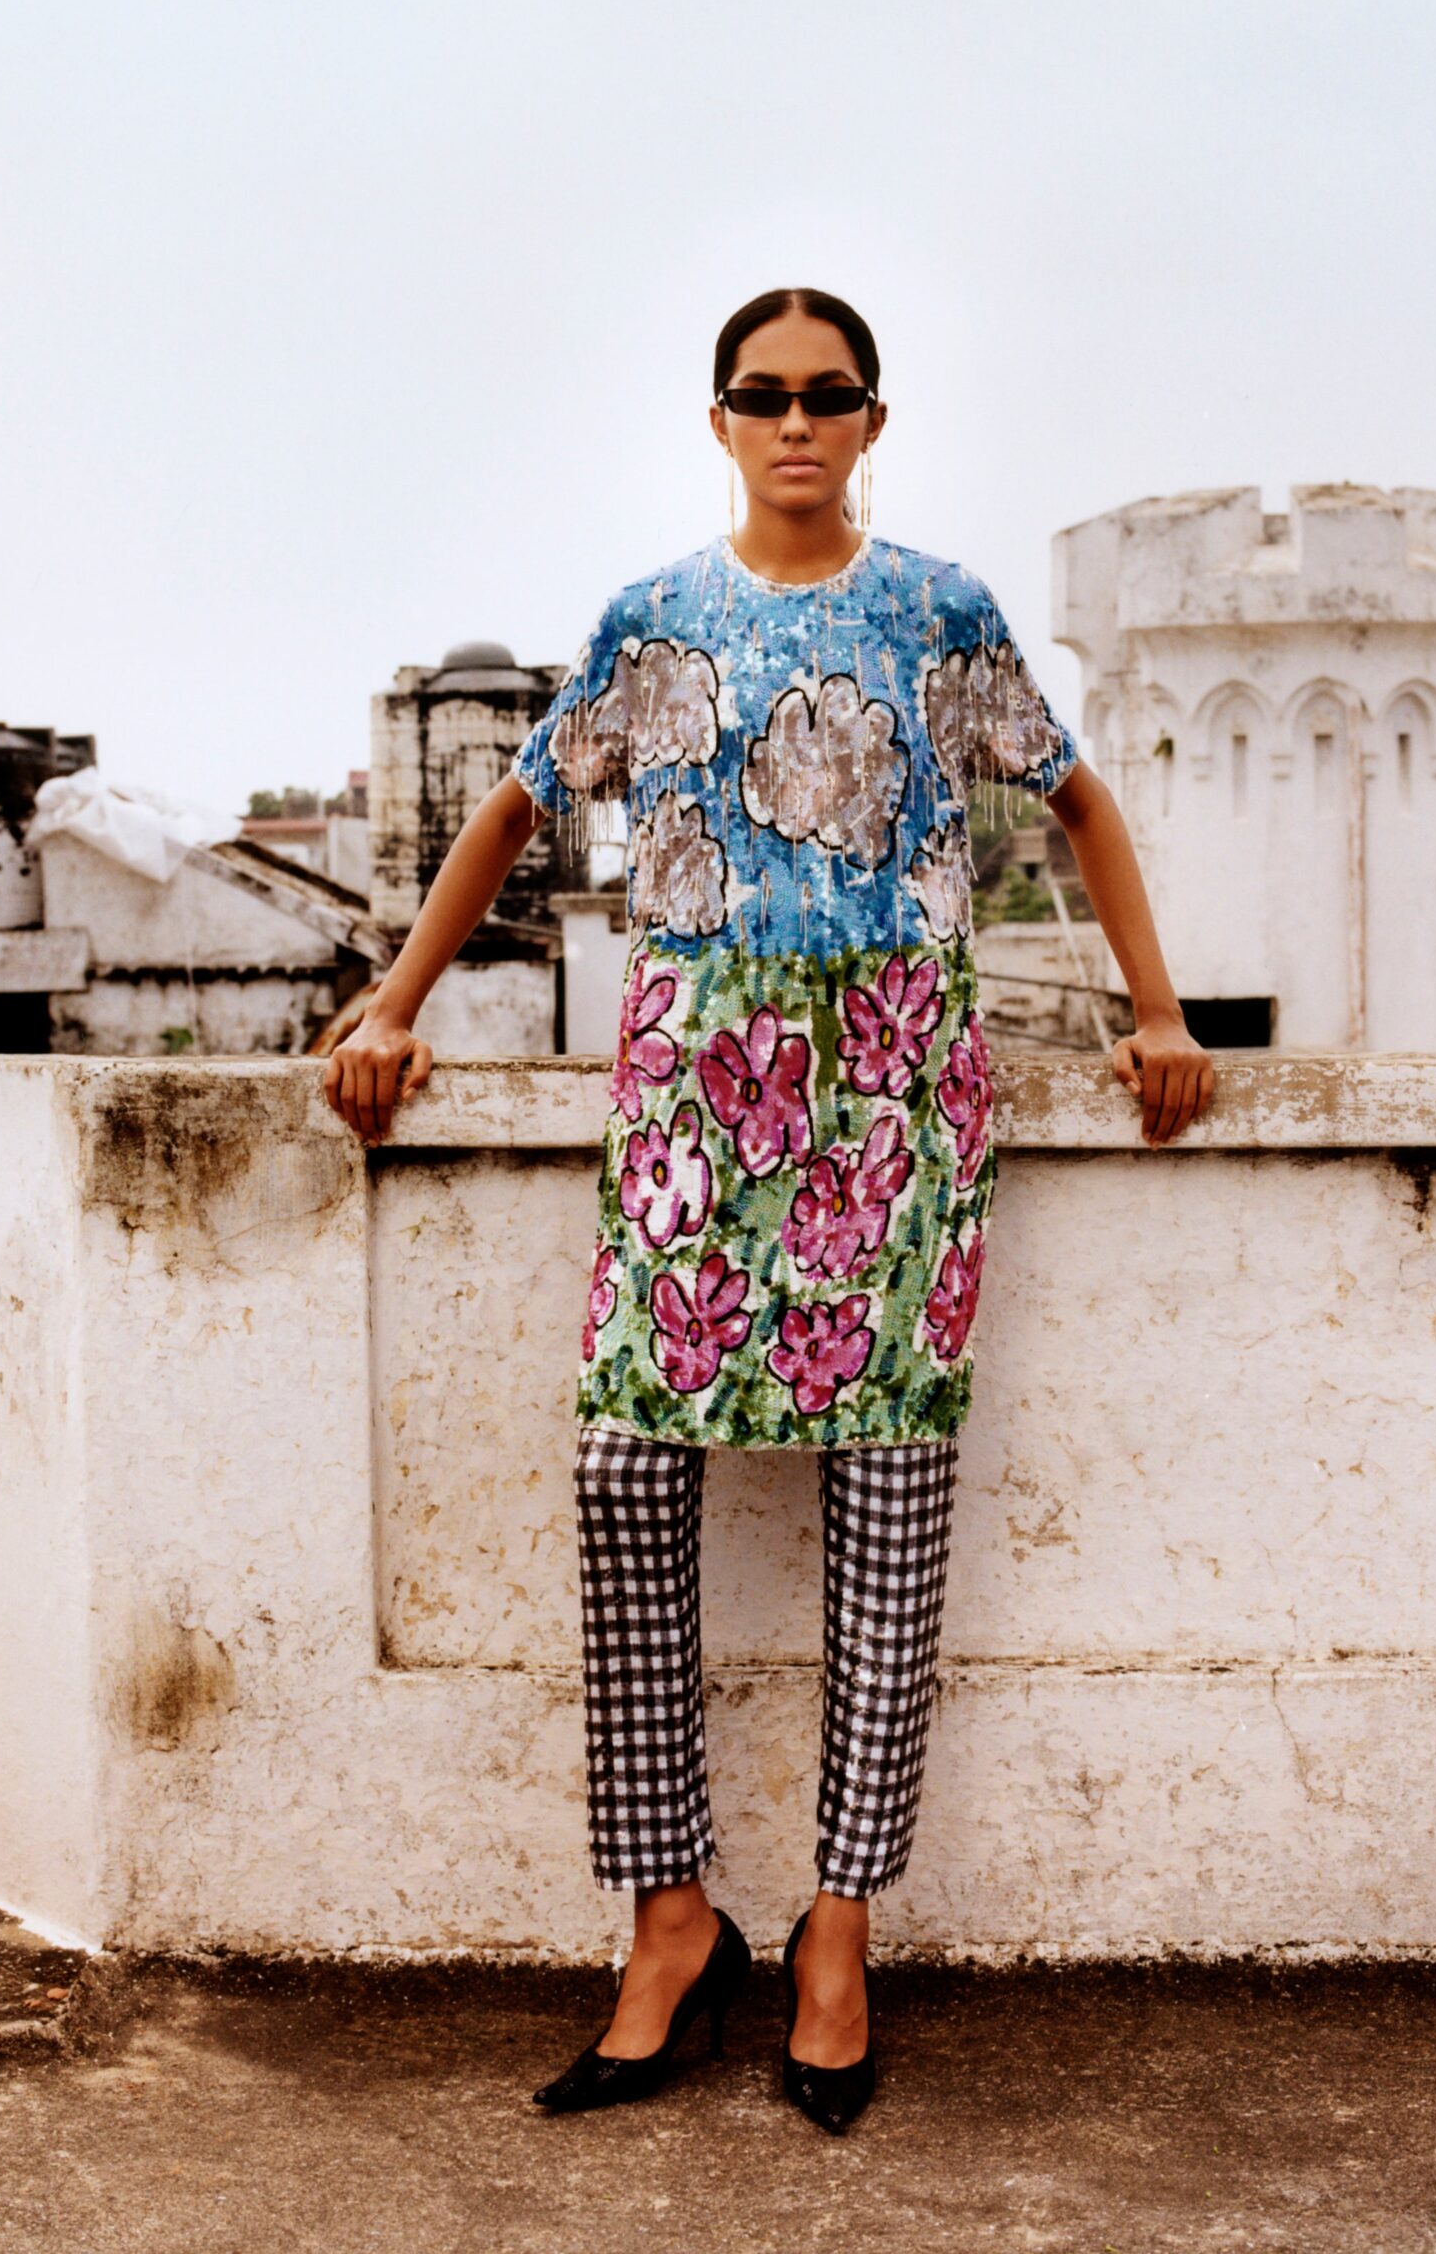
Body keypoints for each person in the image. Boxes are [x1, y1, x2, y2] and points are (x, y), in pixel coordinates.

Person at [323, 285, 1214, 2134]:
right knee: (628, 1471)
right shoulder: (651, 623)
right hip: (691, 1088)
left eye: (829, 396)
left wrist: (1153, 1006)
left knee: (891, 1493)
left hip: (894, 1087)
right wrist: (395, 1001)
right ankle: (669, 1918)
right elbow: (509, 810)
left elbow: (1077, 801)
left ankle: (834, 1924)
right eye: (763, 394)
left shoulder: (941, 610)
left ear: (873, 422)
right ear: (718, 418)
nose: (796, 421)